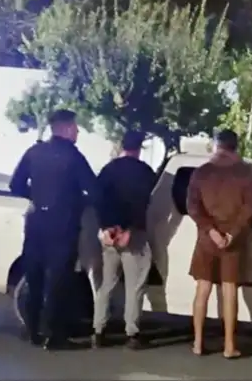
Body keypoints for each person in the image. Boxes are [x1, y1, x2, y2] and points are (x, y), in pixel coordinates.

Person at [9, 109, 98, 349]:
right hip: (63, 226)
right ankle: (55, 336)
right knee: (58, 282)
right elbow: (94, 190)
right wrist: (77, 202)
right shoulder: (73, 157)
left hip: (36, 223)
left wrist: (37, 197)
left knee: (34, 278)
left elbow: (15, 185)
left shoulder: (34, 152)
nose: (78, 132)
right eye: (76, 127)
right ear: (66, 128)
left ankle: (33, 331)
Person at [187, 129, 252, 359]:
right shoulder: (247, 173)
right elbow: (250, 207)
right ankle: (229, 346)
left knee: (203, 289)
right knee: (230, 291)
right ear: (235, 146)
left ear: (217, 145)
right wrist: (230, 233)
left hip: (206, 239)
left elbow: (193, 207)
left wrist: (211, 230)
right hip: (233, 242)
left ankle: (198, 343)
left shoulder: (202, 172)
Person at [91, 131, 157, 350]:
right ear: (139, 148)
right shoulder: (145, 172)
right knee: (135, 285)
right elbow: (143, 202)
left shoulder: (108, 170)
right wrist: (129, 229)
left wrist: (107, 227)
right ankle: (132, 333)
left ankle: (98, 331)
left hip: (109, 235)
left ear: (121, 146)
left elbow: (98, 200)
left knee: (106, 284)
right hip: (133, 236)